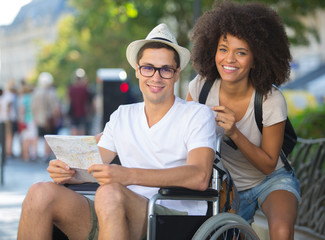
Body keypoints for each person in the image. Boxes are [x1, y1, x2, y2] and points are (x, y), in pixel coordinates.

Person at [18, 23, 216, 240]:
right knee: (40, 192)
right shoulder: (123, 115)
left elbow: (199, 176)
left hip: (172, 217)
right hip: (113, 211)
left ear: (177, 74)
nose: (156, 77)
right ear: (138, 71)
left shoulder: (197, 114)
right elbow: (90, 164)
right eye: (148, 67)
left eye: (166, 69)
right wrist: (66, 171)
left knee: (109, 191)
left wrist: (127, 175)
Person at [187, 2, 301, 240]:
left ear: (256, 59)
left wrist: (235, 132)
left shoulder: (271, 100)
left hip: (270, 180)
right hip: (224, 185)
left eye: (241, 52)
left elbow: (269, 164)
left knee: (281, 231)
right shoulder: (201, 87)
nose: (229, 59)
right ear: (212, 50)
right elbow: (182, 135)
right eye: (223, 49)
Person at [32, 72, 62, 161]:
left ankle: (34, 153)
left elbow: (33, 107)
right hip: (49, 119)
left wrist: (35, 118)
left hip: (39, 118)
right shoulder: (52, 92)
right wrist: (57, 118)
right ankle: (46, 155)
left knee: (37, 136)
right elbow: (55, 108)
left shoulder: (36, 92)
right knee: (48, 138)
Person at [68, 69, 91, 135]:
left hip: (73, 112)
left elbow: (69, 100)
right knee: (81, 129)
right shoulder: (85, 89)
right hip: (83, 112)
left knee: (74, 129)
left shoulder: (71, 88)